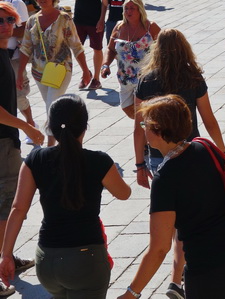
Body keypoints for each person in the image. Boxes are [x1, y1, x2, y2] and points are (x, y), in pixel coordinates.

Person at [119, 95, 225, 299]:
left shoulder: (165, 178)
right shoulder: (205, 147)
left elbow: (159, 248)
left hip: (212, 266)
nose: (143, 129)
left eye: (145, 124)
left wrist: (131, 293)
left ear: (159, 130)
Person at [0, 94, 130, 299]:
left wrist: (6, 255)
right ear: (85, 126)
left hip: (47, 262)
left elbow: (18, 209)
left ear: (49, 126)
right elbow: (124, 194)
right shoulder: (99, 161)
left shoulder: (35, 159)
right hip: (87, 260)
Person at [133, 29, 225, 299]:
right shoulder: (192, 77)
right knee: (186, 218)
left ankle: (177, 277)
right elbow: (208, 118)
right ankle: (177, 278)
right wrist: (221, 151)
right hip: (188, 152)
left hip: (157, 155)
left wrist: (139, 163)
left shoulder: (146, 80)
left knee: (170, 218)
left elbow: (139, 127)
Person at [0, 1, 44, 297]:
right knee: (6, 201)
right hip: (2, 141)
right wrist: (26, 127)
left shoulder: (5, 54)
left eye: (8, 19)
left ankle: (8, 258)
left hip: (6, 141)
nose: (4, 24)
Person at [17, 0, 91, 146]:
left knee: (51, 106)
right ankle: (68, 134)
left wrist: (86, 70)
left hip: (61, 69)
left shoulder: (63, 18)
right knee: (52, 106)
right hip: (39, 71)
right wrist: (20, 74)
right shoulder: (32, 21)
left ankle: (50, 145)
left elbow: (76, 45)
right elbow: (25, 48)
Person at [101, 0, 161, 121]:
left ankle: (146, 133)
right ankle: (146, 129)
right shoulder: (119, 27)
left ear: (140, 10)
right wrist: (105, 65)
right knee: (126, 107)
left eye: (132, 8)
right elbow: (111, 49)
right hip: (125, 78)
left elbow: (165, 45)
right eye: (126, 8)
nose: (128, 11)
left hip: (145, 78)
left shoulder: (150, 27)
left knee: (143, 111)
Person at [0, 0, 36, 143]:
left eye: (10, 20)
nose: (6, 23)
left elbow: (25, 30)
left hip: (13, 57)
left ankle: (29, 123)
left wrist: (6, 30)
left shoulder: (15, 3)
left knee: (18, 96)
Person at [67, 0, 106, 90]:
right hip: (79, 18)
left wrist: (102, 19)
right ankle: (85, 73)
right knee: (77, 48)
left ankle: (96, 78)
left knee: (97, 48)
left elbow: (104, 1)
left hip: (95, 18)